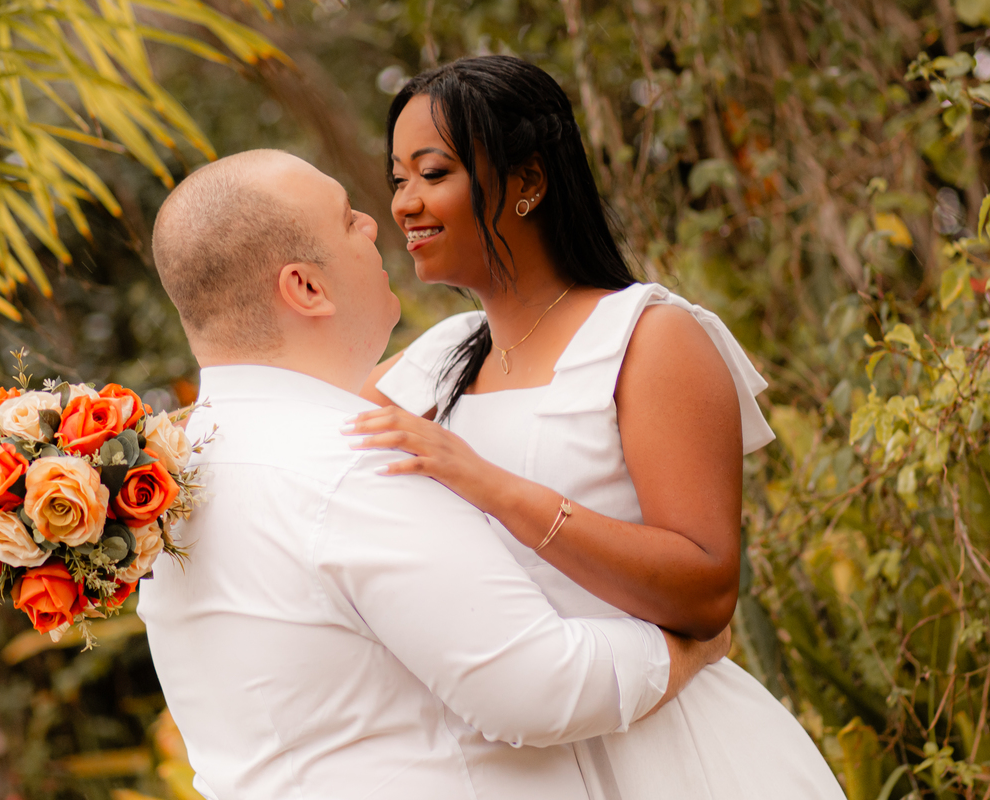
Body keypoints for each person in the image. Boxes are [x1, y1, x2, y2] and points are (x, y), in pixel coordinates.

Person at [138, 149, 727, 800]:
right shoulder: (362, 460)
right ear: (306, 287)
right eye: (347, 219)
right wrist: (687, 647)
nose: (376, 222)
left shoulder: (163, 479)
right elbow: (537, 690)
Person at [348, 55, 845, 798]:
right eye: (398, 180)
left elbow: (706, 592)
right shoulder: (437, 357)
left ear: (529, 183)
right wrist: (123, 459)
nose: (406, 204)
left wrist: (489, 485)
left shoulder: (649, 336)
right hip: (517, 766)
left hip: (672, 753)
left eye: (433, 173)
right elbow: (295, 447)